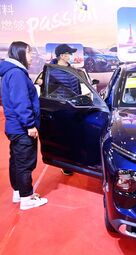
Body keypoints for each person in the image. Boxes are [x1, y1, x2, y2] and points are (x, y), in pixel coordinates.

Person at [0, 41, 48, 210]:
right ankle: (27, 197)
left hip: (14, 126)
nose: (31, 56)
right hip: (21, 128)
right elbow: (21, 102)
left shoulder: (10, 72)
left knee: (17, 162)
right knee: (25, 163)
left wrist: (35, 86)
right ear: (20, 53)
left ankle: (18, 192)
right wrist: (30, 125)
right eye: (28, 52)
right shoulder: (17, 74)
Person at [50, 43, 81, 175]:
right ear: (62, 56)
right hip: (61, 111)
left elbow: (78, 88)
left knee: (76, 137)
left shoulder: (73, 69)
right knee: (64, 139)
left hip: (75, 110)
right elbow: (50, 93)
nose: (71, 56)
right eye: (69, 53)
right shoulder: (51, 71)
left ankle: (76, 160)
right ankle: (66, 164)